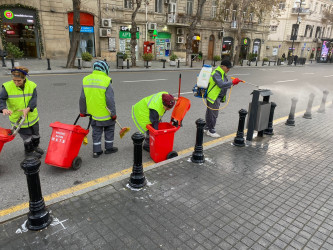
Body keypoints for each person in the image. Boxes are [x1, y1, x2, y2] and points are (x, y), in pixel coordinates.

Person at [0, 66, 43, 158]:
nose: (16, 83)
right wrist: (3, 108)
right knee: (26, 137)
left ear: (24, 78)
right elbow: (1, 99)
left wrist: (28, 108)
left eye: (18, 81)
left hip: (32, 116)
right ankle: (29, 152)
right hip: (18, 119)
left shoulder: (32, 85)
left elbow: (34, 99)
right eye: (14, 80)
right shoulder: (7, 87)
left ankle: (35, 147)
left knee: (36, 134)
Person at [79, 60, 118, 158]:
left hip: (94, 115)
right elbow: (110, 100)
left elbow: (82, 98)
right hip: (106, 114)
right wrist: (113, 113)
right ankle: (109, 148)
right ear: (105, 69)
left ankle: (96, 151)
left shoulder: (86, 79)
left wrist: (82, 111)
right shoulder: (106, 80)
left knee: (96, 132)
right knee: (109, 130)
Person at [204, 60, 241, 138]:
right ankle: (211, 131)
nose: (228, 69)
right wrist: (232, 82)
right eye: (227, 67)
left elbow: (224, 85)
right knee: (213, 114)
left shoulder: (222, 73)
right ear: (222, 66)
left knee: (210, 113)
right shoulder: (217, 73)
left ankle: (207, 127)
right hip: (213, 97)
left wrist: (233, 83)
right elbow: (221, 84)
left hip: (215, 96)